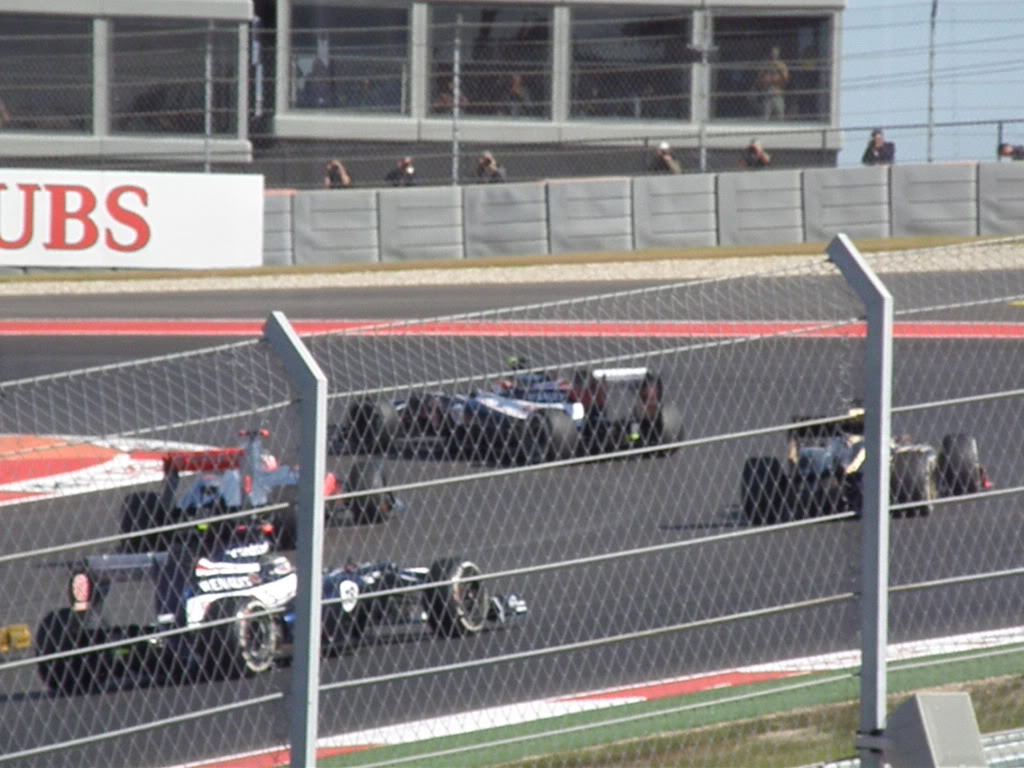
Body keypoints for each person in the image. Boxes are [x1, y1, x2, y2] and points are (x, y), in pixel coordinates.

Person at [757, 46, 789, 120]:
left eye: (776, 53)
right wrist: (765, 70)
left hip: (778, 93)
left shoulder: (782, 65)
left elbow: (786, 79)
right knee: (765, 117)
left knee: (780, 116)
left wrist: (779, 70)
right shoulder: (766, 64)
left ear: (779, 54)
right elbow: (759, 78)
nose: (774, 55)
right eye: (773, 53)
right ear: (770, 53)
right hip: (768, 92)